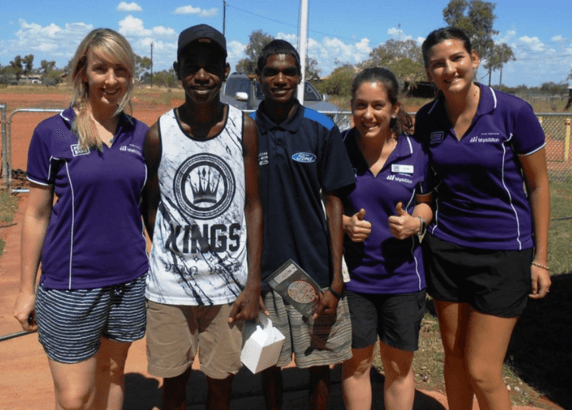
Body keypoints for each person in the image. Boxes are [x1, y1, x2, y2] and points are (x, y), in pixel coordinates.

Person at [415, 27, 551, 410]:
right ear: (429, 73)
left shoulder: (512, 111)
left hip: (504, 254)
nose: (449, 69)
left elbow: (539, 186)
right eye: (438, 64)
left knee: (482, 370)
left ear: (474, 58)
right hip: (446, 251)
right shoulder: (427, 119)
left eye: (457, 58)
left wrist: (540, 258)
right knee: (455, 359)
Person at [12, 28, 148, 410]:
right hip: (71, 285)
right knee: (74, 399)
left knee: (112, 374)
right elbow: (36, 214)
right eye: (101, 68)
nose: (111, 79)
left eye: (120, 70)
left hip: (129, 281)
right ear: (82, 73)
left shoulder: (141, 135)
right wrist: (26, 289)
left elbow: (146, 208)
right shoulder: (52, 132)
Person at [141, 24, 263, 410]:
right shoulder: (159, 133)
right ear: (178, 71)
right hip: (169, 290)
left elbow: (253, 205)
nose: (201, 75)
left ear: (226, 71)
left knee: (220, 386)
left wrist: (253, 282)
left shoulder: (244, 128)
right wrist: (170, 251)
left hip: (228, 289)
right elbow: (151, 203)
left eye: (211, 66)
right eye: (191, 66)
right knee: (173, 385)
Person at [250, 39, 355, 410]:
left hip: (314, 271)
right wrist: (249, 282)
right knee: (268, 363)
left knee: (320, 363)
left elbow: (334, 199)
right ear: (257, 76)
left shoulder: (321, 127)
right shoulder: (244, 130)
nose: (281, 78)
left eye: (289, 71)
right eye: (272, 71)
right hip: (264, 272)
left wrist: (336, 277)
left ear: (298, 76)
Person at [339, 67, 432, 410]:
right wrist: (344, 223)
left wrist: (415, 224)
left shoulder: (416, 151)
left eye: (378, 105)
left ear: (394, 107)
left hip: (404, 279)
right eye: (361, 105)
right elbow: (320, 202)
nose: (368, 114)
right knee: (357, 365)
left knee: (397, 368)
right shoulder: (339, 147)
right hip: (354, 281)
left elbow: (425, 204)